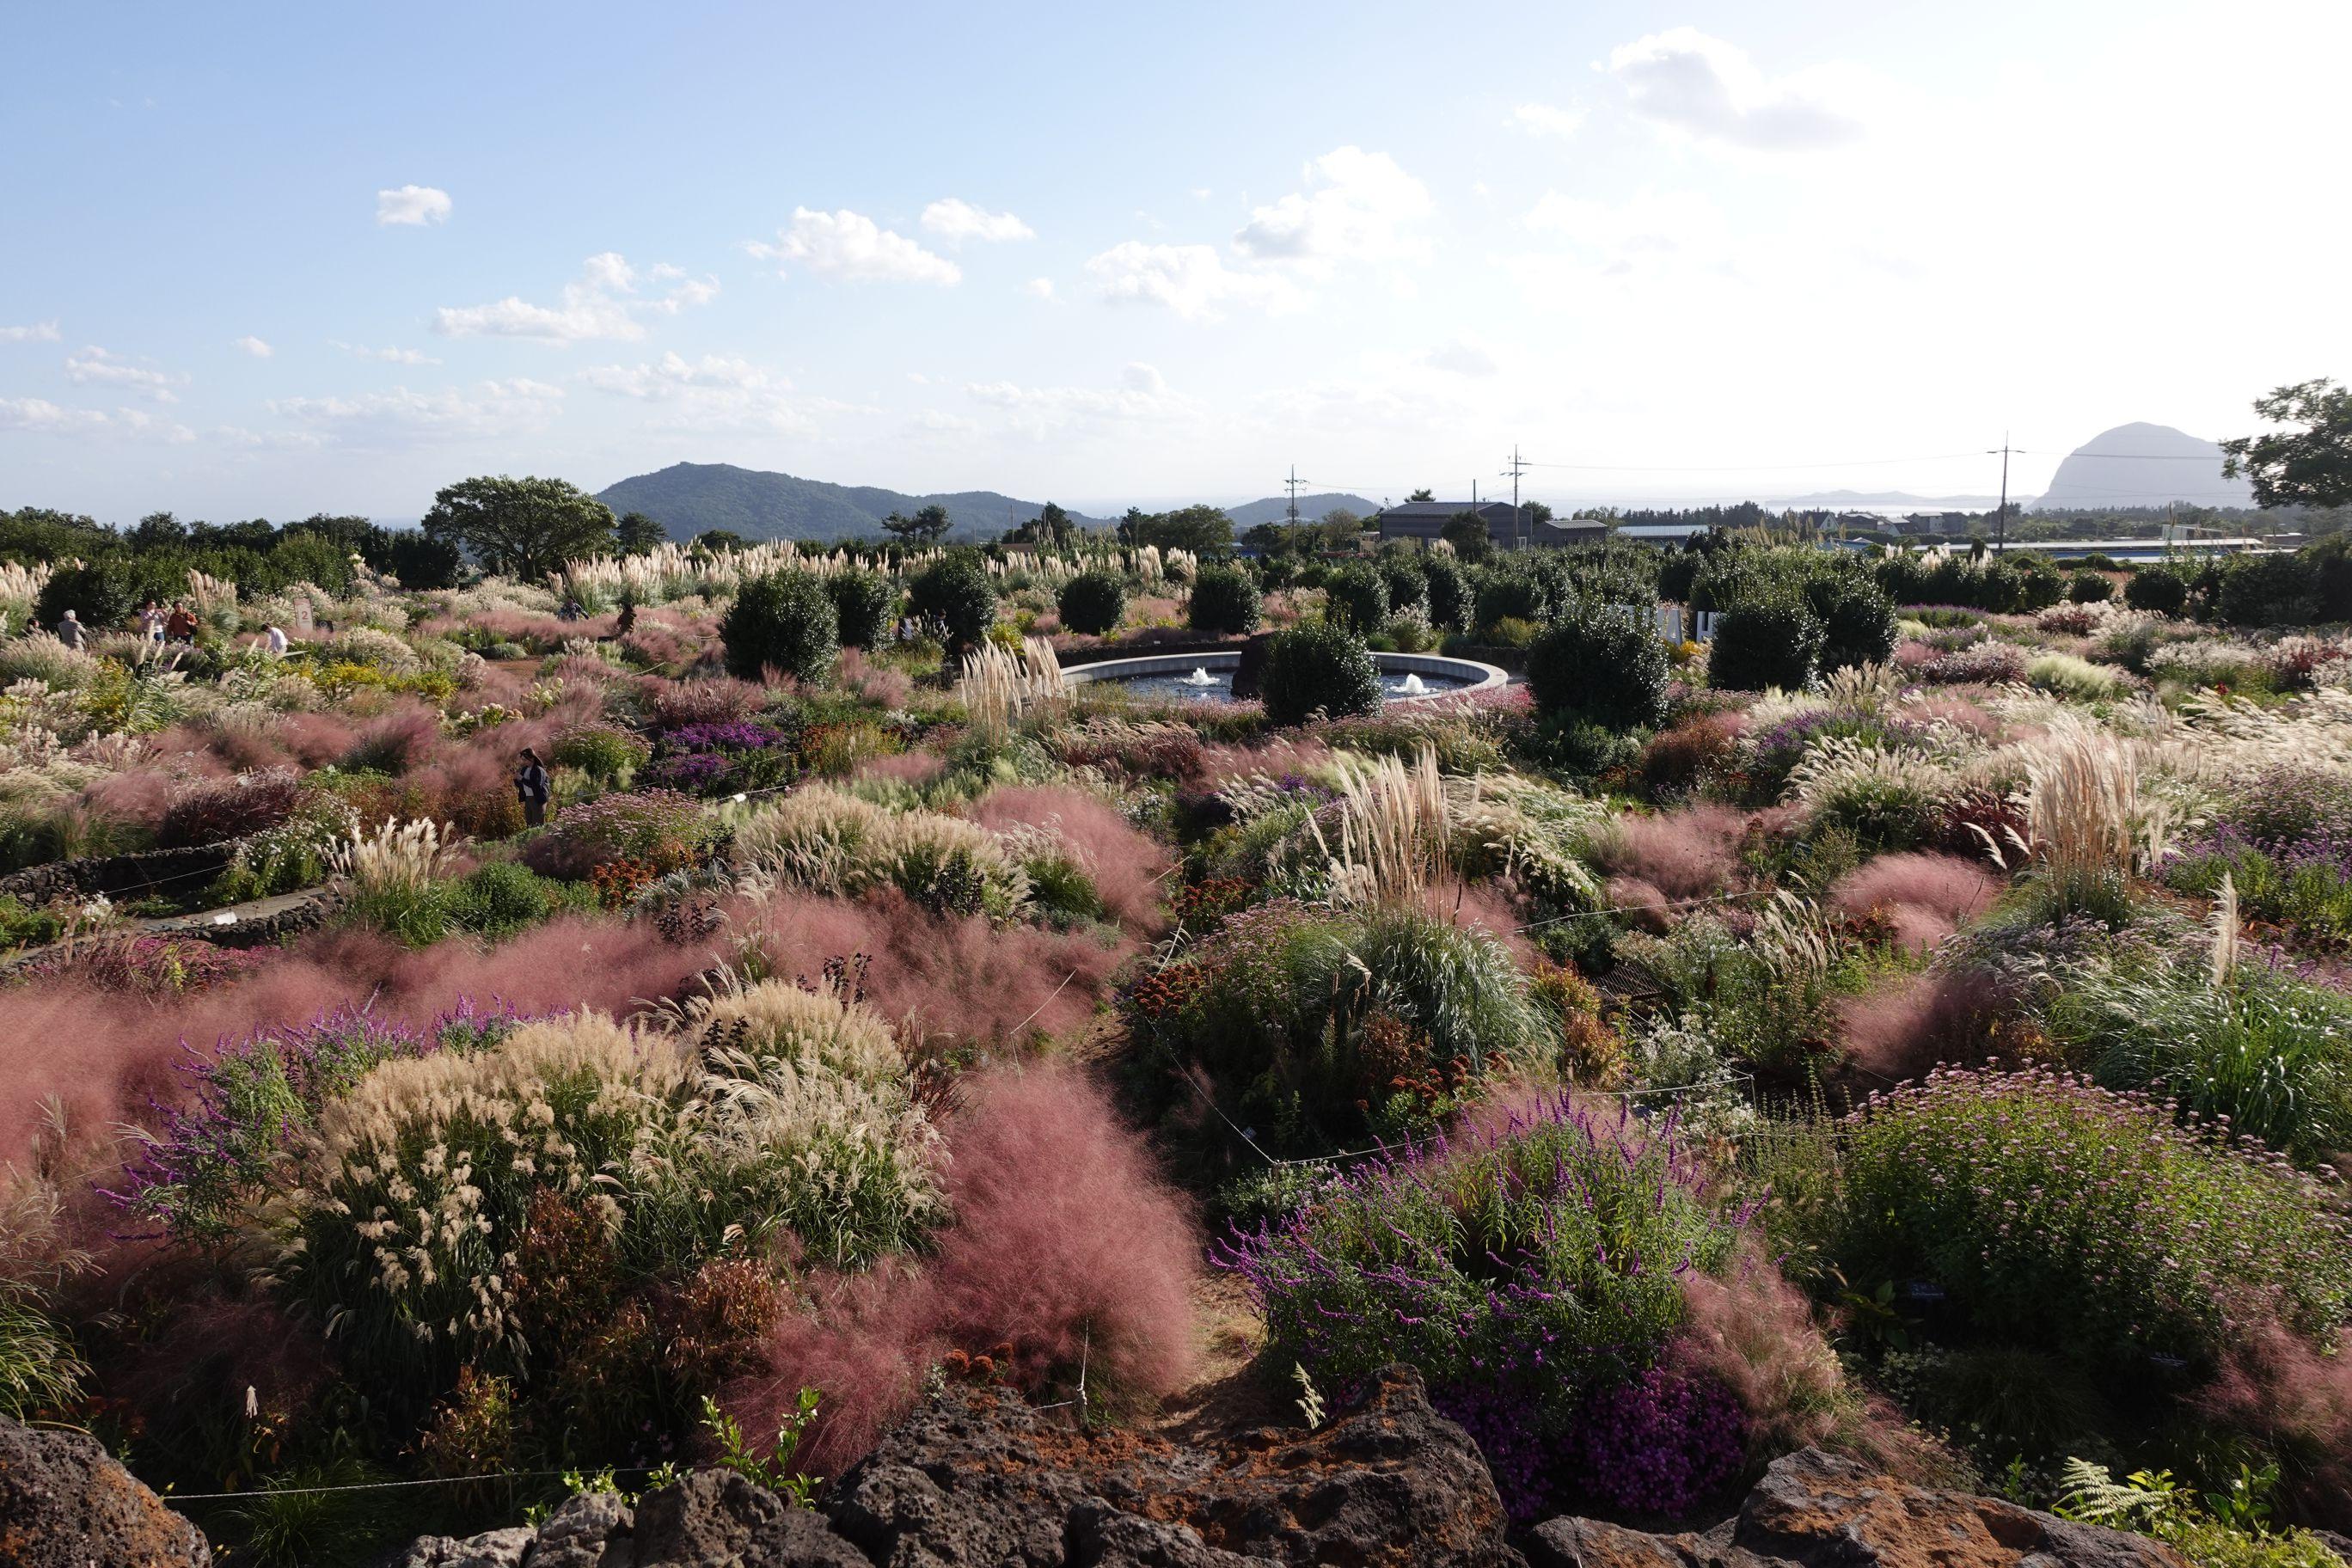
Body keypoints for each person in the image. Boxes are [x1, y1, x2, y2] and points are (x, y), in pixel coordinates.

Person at [513, 747, 553, 828]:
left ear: (532, 758)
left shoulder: (539, 770)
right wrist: (516, 779)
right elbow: (521, 785)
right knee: (529, 825)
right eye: (522, 759)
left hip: (538, 799)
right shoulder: (524, 769)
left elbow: (537, 786)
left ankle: (540, 840)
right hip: (528, 799)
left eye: (525, 759)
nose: (523, 762)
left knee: (537, 826)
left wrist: (522, 779)